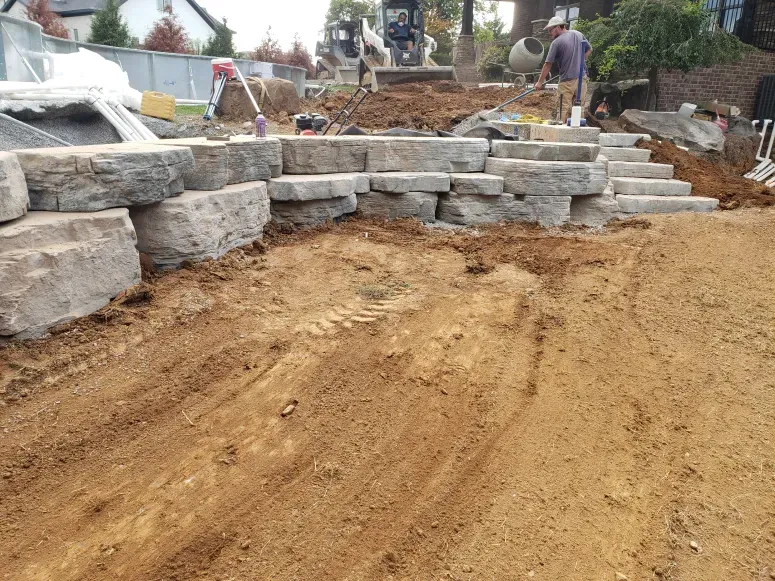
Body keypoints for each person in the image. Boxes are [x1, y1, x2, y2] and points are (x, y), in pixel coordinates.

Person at [535, 16, 592, 122]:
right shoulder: (578, 34)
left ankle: (561, 134)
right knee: (579, 110)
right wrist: (579, 61)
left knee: (563, 110)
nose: (549, 33)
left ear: (557, 27)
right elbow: (589, 50)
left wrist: (539, 82)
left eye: (550, 30)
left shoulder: (557, 42)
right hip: (582, 79)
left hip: (566, 82)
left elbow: (548, 64)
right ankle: (577, 134)